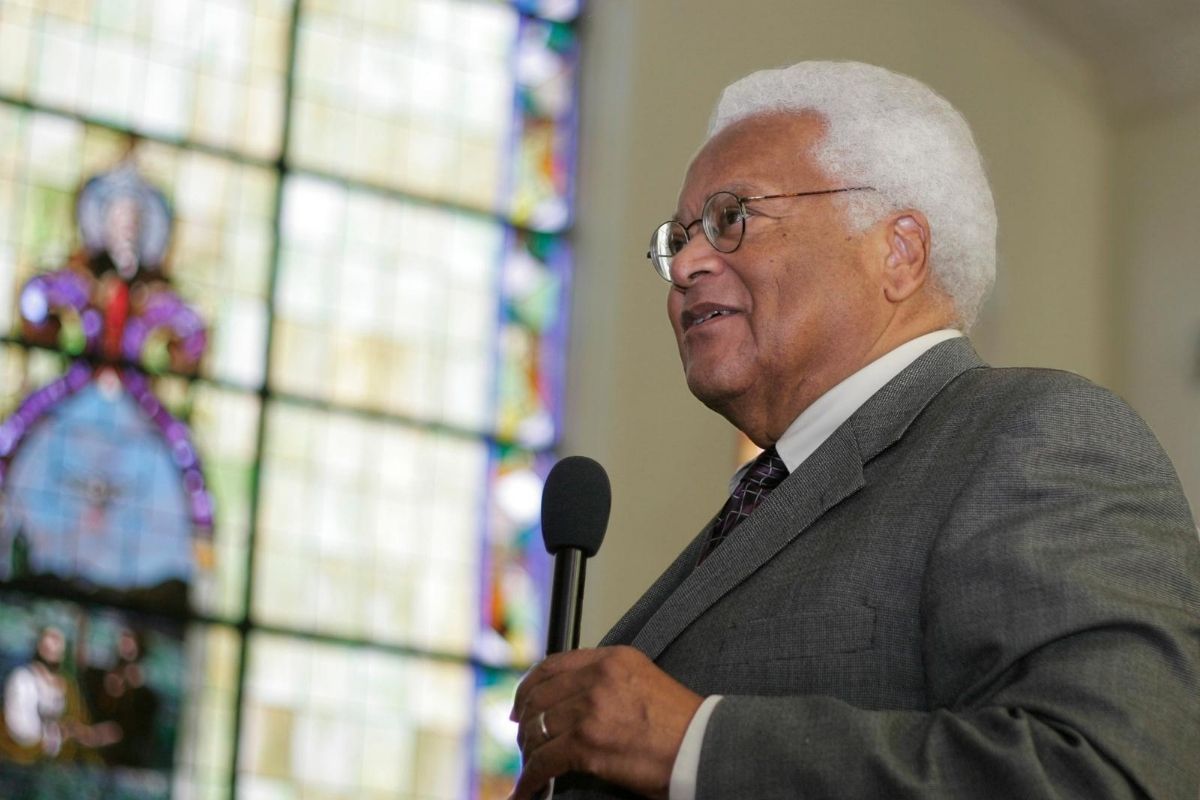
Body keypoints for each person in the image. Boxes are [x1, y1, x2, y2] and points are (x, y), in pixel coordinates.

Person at [509, 61, 1200, 799]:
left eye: (730, 218)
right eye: (678, 239)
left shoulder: (1036, 436)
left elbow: (1106, 773)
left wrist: (692, 744)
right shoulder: (771, 496)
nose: (687, 265)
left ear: (897, 251)